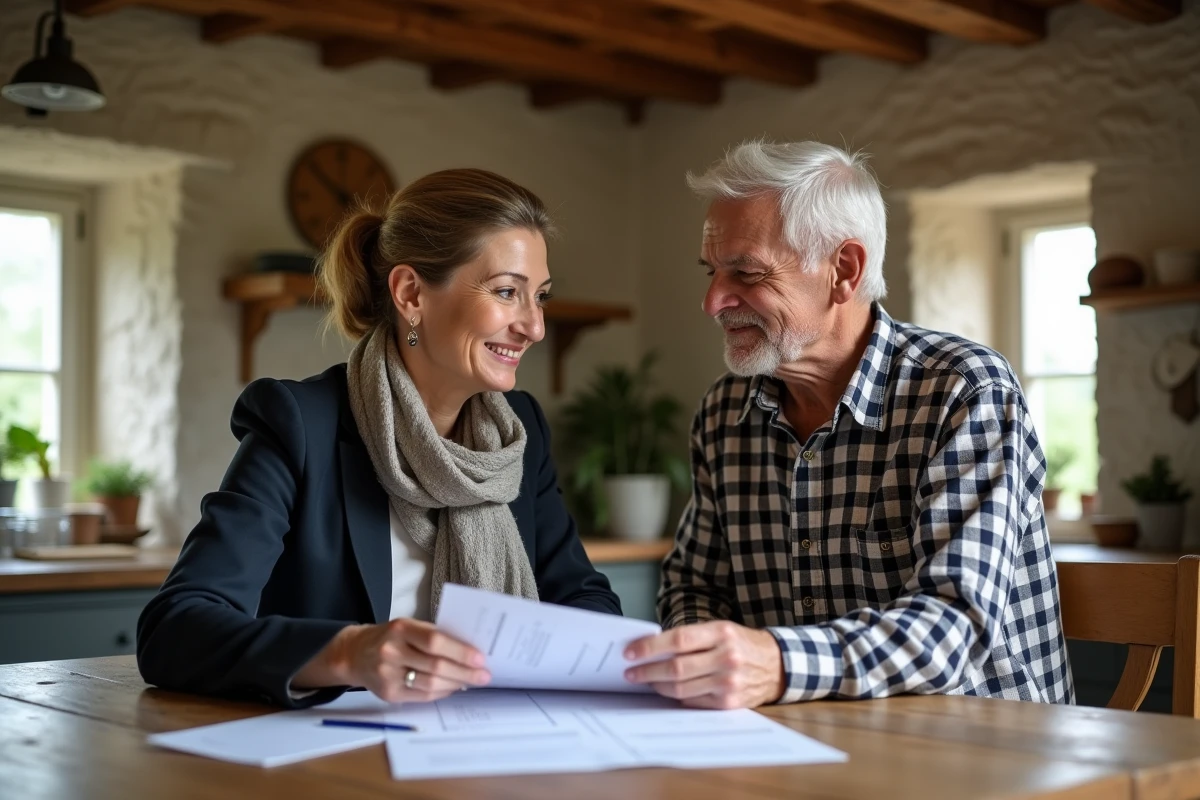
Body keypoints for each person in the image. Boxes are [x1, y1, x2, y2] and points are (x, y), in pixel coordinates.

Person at [138, 168, 621, 708]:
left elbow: (583, 597)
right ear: (411, 293)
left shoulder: (517, 432)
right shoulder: (301, 425)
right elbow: (175, 629)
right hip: (340, 746)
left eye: (541, 297)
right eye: (508, 292)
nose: (534, 327)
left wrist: (622, 656)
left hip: (494, 735)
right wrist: (349, 652)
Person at [623, 141, 1073, 709]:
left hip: (987, 745)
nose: (713, 301)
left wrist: (777, 665)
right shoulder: (723, 413)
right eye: (712, 272)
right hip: (801, 738)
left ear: (844, 270)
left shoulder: (963, 390)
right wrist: (704, 661)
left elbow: (953, 625)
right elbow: (696, 586)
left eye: (747, 272)